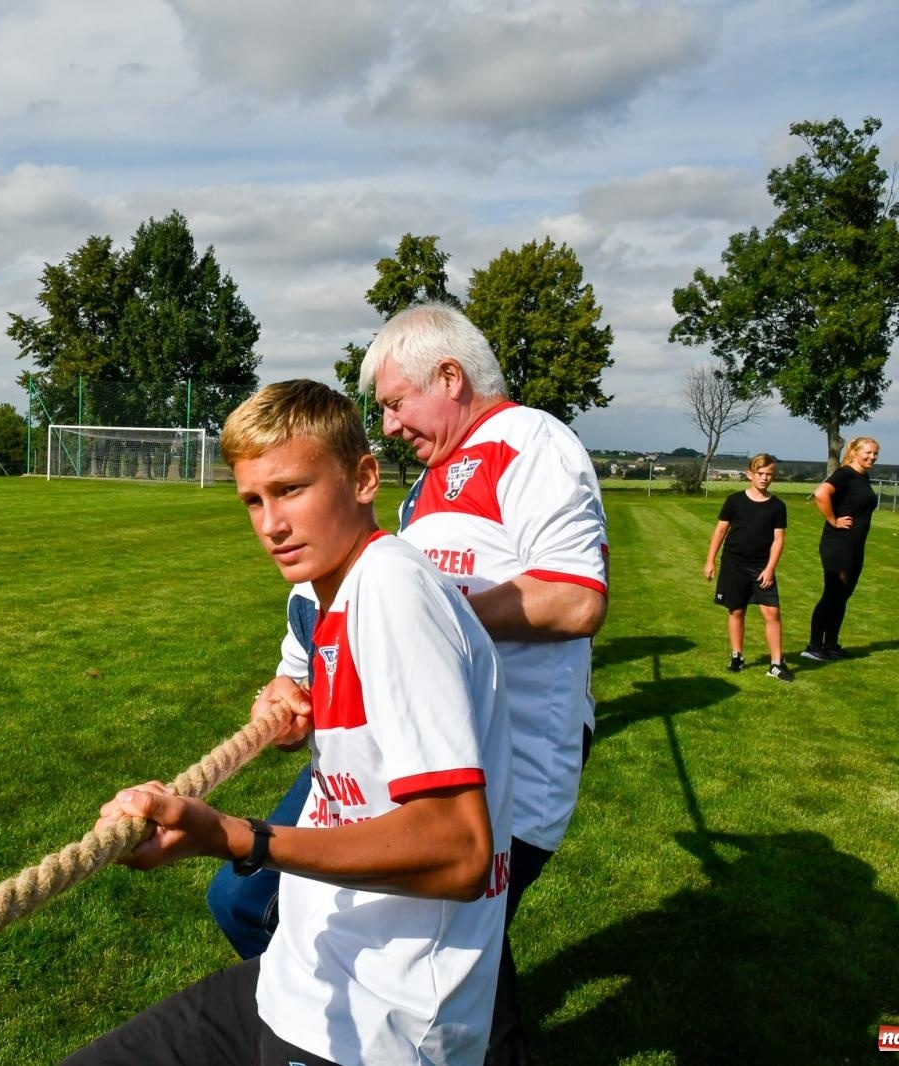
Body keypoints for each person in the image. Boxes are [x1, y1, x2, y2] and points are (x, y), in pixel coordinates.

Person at [66, 379, 514, 1065]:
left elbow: (458, 848)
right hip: (296, 979)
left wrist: (237, 838)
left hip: (377, 1028)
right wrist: (291, 693)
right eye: (253, 499)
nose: (270, 524)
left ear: (364, 478)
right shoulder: (333, 594)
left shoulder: (393, 592)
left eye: (292, 490)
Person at [210, 303, 610, 1065]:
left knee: (448, 962)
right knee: (246, 898)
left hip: (500, 771)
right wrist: (292, 679)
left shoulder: (530, 442)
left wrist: (428, 616)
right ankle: (335, 1022)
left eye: (395, 403)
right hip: (377, 764)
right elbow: (342, 600)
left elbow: (575, 597)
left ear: (451, 378)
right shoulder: (423, 490)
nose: (388, 425)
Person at [703, 454, 793, 681]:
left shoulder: (778, 506)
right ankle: (737, 656)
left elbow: (778, 540)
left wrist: (770, 568)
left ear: (774, 476)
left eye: (769, 474)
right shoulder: (734, 501)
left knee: (771, 612)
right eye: (760, 474)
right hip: (734, 564)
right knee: (736, 610)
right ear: (750, 474)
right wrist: (710, 560)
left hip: (761, 567)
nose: (764, 478)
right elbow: (720, 531)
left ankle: (776, 663)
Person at [803, 436, 879, 661]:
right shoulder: (845, 473)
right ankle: (814, 646)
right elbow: (821, 493)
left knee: (843, 595)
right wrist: (833, 520)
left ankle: (831, 644)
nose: (872, 457)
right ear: (854, 452)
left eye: (875, 454)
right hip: (838, 543)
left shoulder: (863, 477)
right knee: (833, 593)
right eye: (867, 452)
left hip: (855, 545)